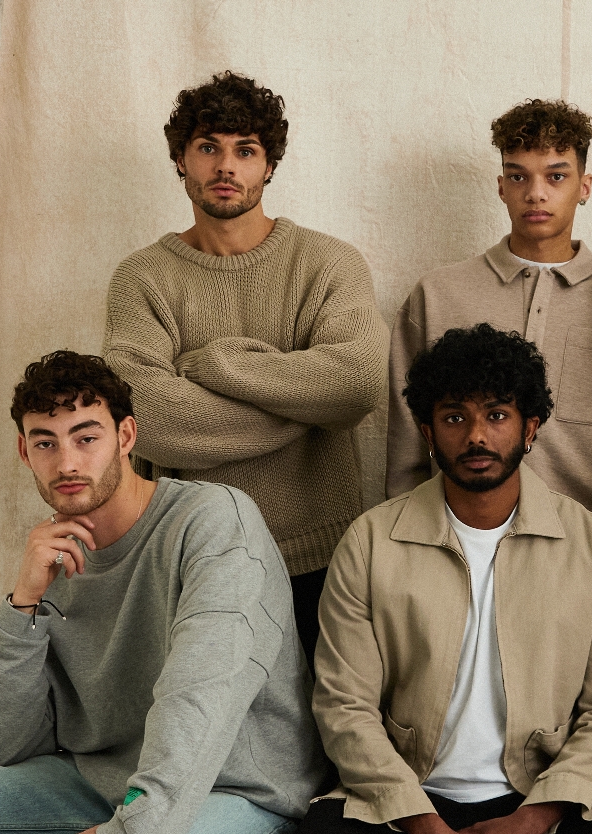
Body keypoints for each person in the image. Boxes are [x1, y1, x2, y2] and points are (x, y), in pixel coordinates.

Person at [0, 351, 326, 834]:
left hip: (231, 792)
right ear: (25, 453)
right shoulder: (53, 557)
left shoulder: (213, 522)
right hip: (102, 786)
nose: (66, 462)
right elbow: (1, 745)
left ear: (126, 437)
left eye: (86, 438)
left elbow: (199, 697)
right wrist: (22, 604)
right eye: (46, 443)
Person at [281, 324, 592, 834]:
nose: (476, 436)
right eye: (454, 417)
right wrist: (424, 826)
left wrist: (532, 821)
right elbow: (344, 706)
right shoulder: (371, 542)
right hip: (398, 802)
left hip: (546, 802)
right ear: (428, 431)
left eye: (496, 415)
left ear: (530, 427)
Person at [103, 71, 388, 668]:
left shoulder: (327, 263)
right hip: (190, 554)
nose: (225, 166)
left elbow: (358, 383)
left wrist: (217, 366)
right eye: (208, 147)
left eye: (246, 150)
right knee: (203, 734)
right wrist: (301, 407)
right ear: (181, 159)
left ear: (270, 165)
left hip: (321, 557)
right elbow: (143, 415)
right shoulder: (143, 277)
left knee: (323, 741)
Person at [386, 98, 592, 596]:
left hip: (588, 568)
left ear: (585, 186)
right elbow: (406, 452)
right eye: (518, 177)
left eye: (556, 176)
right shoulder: (437, 295)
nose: (536, 194)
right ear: (500, 185)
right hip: (454, 562)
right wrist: (408, 563)